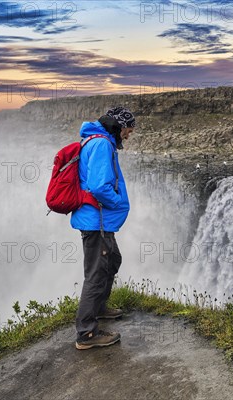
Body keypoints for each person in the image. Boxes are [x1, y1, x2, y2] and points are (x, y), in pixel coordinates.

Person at [71, 106, 134, 350]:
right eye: (128, 129)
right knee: (96, 274)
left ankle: (98, 308)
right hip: (96, 221)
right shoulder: (102, 145)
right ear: (118, 127)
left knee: (112, 261)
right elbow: (98, 187)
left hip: (99, 220)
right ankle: (86, 333)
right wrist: (118, 203)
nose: (129, 135)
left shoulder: (98, 141)